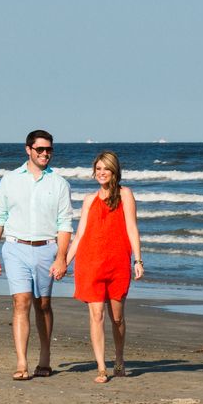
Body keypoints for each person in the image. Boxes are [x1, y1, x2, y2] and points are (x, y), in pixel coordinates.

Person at [0, 130, 73, 380]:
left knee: (42, 305)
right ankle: (22, 363)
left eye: (49, 149)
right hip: (15, 247)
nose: (45, 154)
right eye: (40, 149)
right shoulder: (9, 180)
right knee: (20, 302)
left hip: (47, 248)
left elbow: (64, 224)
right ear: (28, 150)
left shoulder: (59, 183)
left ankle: (44, 357)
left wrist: (61, 257)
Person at [65, 150, 143, 383]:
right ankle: (101, 367)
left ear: (114, 171)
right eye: (98, 169)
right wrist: (64, 262)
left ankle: (119, 359)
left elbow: (132, 228)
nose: (101, 173)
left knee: (117, 318)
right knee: (96, 315)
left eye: (106, 169)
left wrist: (138, 260)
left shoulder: (125, 194)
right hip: (90, 263)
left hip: (117, 262)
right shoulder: (89, 200)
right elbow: (80, 235)